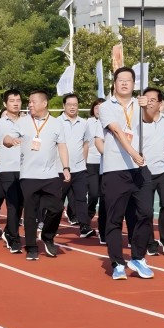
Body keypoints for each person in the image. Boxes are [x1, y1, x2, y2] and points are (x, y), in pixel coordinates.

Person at [99, 66, 154, 280]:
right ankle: (117, 263)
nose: (124, 83)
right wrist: (133, 153)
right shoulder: (106, 106)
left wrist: (146, 107)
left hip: (139, 168)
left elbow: (149, 119)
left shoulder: (139, 103)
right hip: (115, 169)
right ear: (114, 83)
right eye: (120, 80)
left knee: (146, 212)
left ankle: (138, 257)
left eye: (128, 80)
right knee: (115, 218)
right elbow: (117, 131)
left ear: (133, 84)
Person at [3, 89, 70, 260]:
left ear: (44, 103)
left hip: (50, 175)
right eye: (29, 102)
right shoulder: (23, 122)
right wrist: (10, 141)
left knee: (57, 208)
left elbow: (62, 146)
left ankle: (47, 236)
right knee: (30, 213)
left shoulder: (56, 123)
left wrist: (66, 167)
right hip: (28, 176)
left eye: (33, 102)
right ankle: (31, 247)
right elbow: (7, 139)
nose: (30, 105)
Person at [139, 88, 164, 256]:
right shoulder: (138, 121)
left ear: (160, 103)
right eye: (146, 99)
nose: (149, 102)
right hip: (144, 171)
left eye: (152, 99)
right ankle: (150, 242)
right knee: (147, 210)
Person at [0, 89, 25, 253]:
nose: (16, 103)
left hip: (25, 169)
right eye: (12, 100)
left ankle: (9, 231)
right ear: (5, 103)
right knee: (12, 204)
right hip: (7, 169)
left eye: (18, 100)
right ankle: (14, 239)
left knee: (21, 204)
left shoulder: (27, 122)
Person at [58, 93, 96, 239]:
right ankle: (50, 226)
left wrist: (83, 162)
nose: (72, 107)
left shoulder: (84, 123)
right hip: (60, 169)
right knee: (58, 200)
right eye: (69, 104)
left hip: (79, 169)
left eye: (75, 105)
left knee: (81, 198)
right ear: (64, 106)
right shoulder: (56, 122)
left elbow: (86, 144)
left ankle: (84, 226)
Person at [85, 99, 105, 242]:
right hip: (91, 162)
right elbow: (84, 143)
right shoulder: (88, 123)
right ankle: (87, 218)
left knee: (105, 196)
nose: (99, 110)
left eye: (101, 107)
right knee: (93, 194)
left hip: (106, 163)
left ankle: (102, 225)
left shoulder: (110, 122)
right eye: (96, 107)